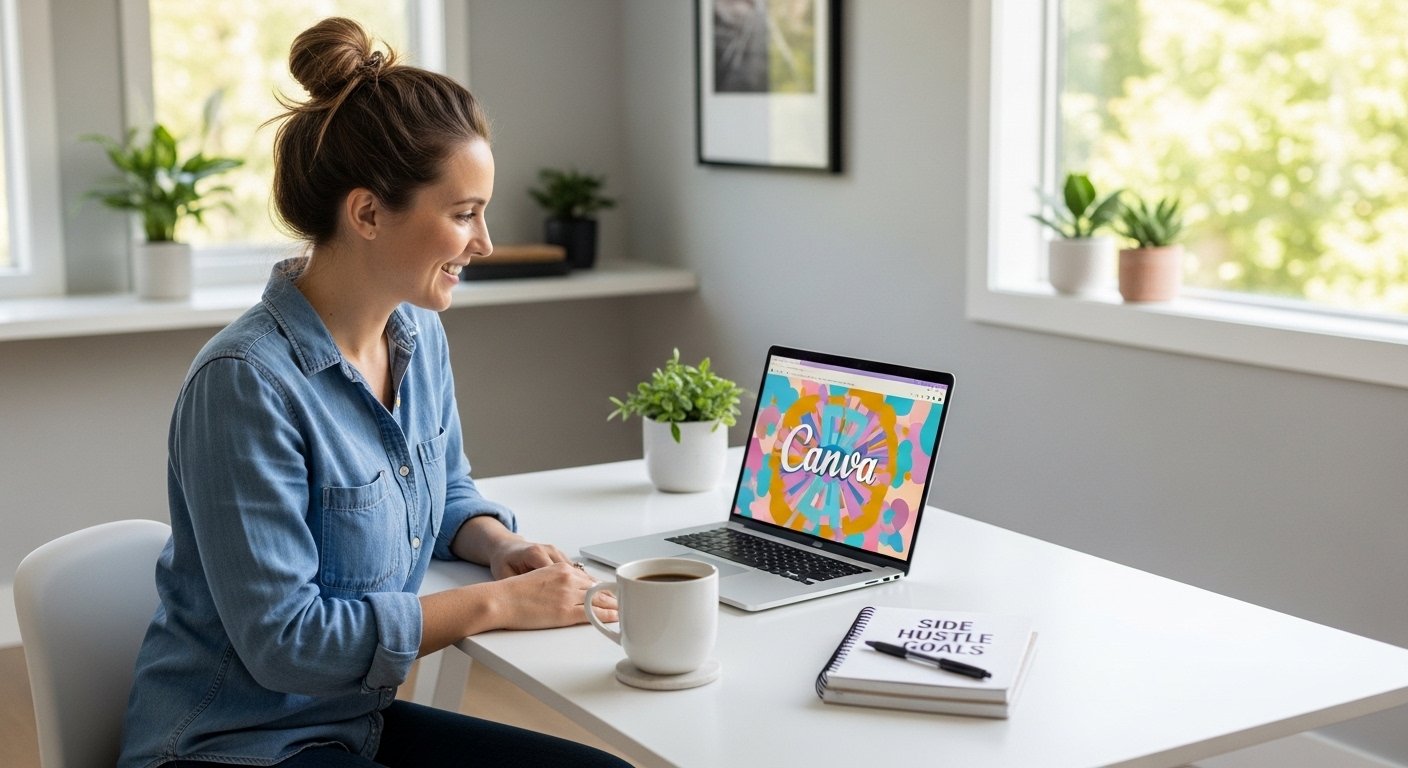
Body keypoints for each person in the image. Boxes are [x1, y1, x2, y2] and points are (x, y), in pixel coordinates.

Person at [117, 17, 625, 768]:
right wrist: (499, 606)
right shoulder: (245, 385)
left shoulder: (416, 338)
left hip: (352, 726)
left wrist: (502, 545)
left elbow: (443, 487)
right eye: (463, 214)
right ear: (366, 214)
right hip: (229, 746)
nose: (483, 243)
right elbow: (286, 643)